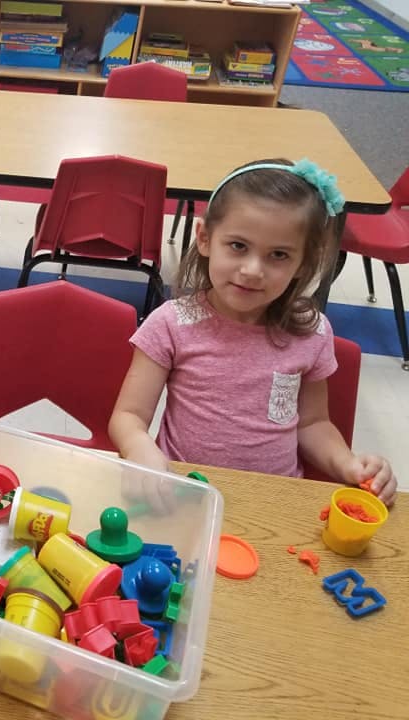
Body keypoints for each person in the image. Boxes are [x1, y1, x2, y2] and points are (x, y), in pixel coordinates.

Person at [109, 158, 397, 507]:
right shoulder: (172, 323)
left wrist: (348, 464)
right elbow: (129, 416)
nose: (252, 270)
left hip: (272, 503)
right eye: (238, 246)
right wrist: (139, 447)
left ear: (304, 262)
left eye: (279, 254)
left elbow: (313, 424)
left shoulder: (312, 332)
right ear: (204, 238)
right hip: (185, 497)